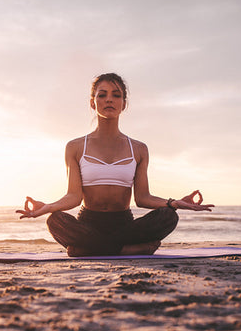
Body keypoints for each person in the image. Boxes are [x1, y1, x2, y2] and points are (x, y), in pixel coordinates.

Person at [17, 73, 214, 256]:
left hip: (124, 225)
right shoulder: (75, 147)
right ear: (93, 103)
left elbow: (143, 198)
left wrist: (174, 203)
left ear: (124, 104)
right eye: (102, 95)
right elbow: (74, 196)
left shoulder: (139, 148)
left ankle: (89, 250)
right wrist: (48, 207)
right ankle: (126, 250)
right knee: (55, 220)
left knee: (168, 216)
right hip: (89, 223)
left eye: (116, 95)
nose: (109, 99)